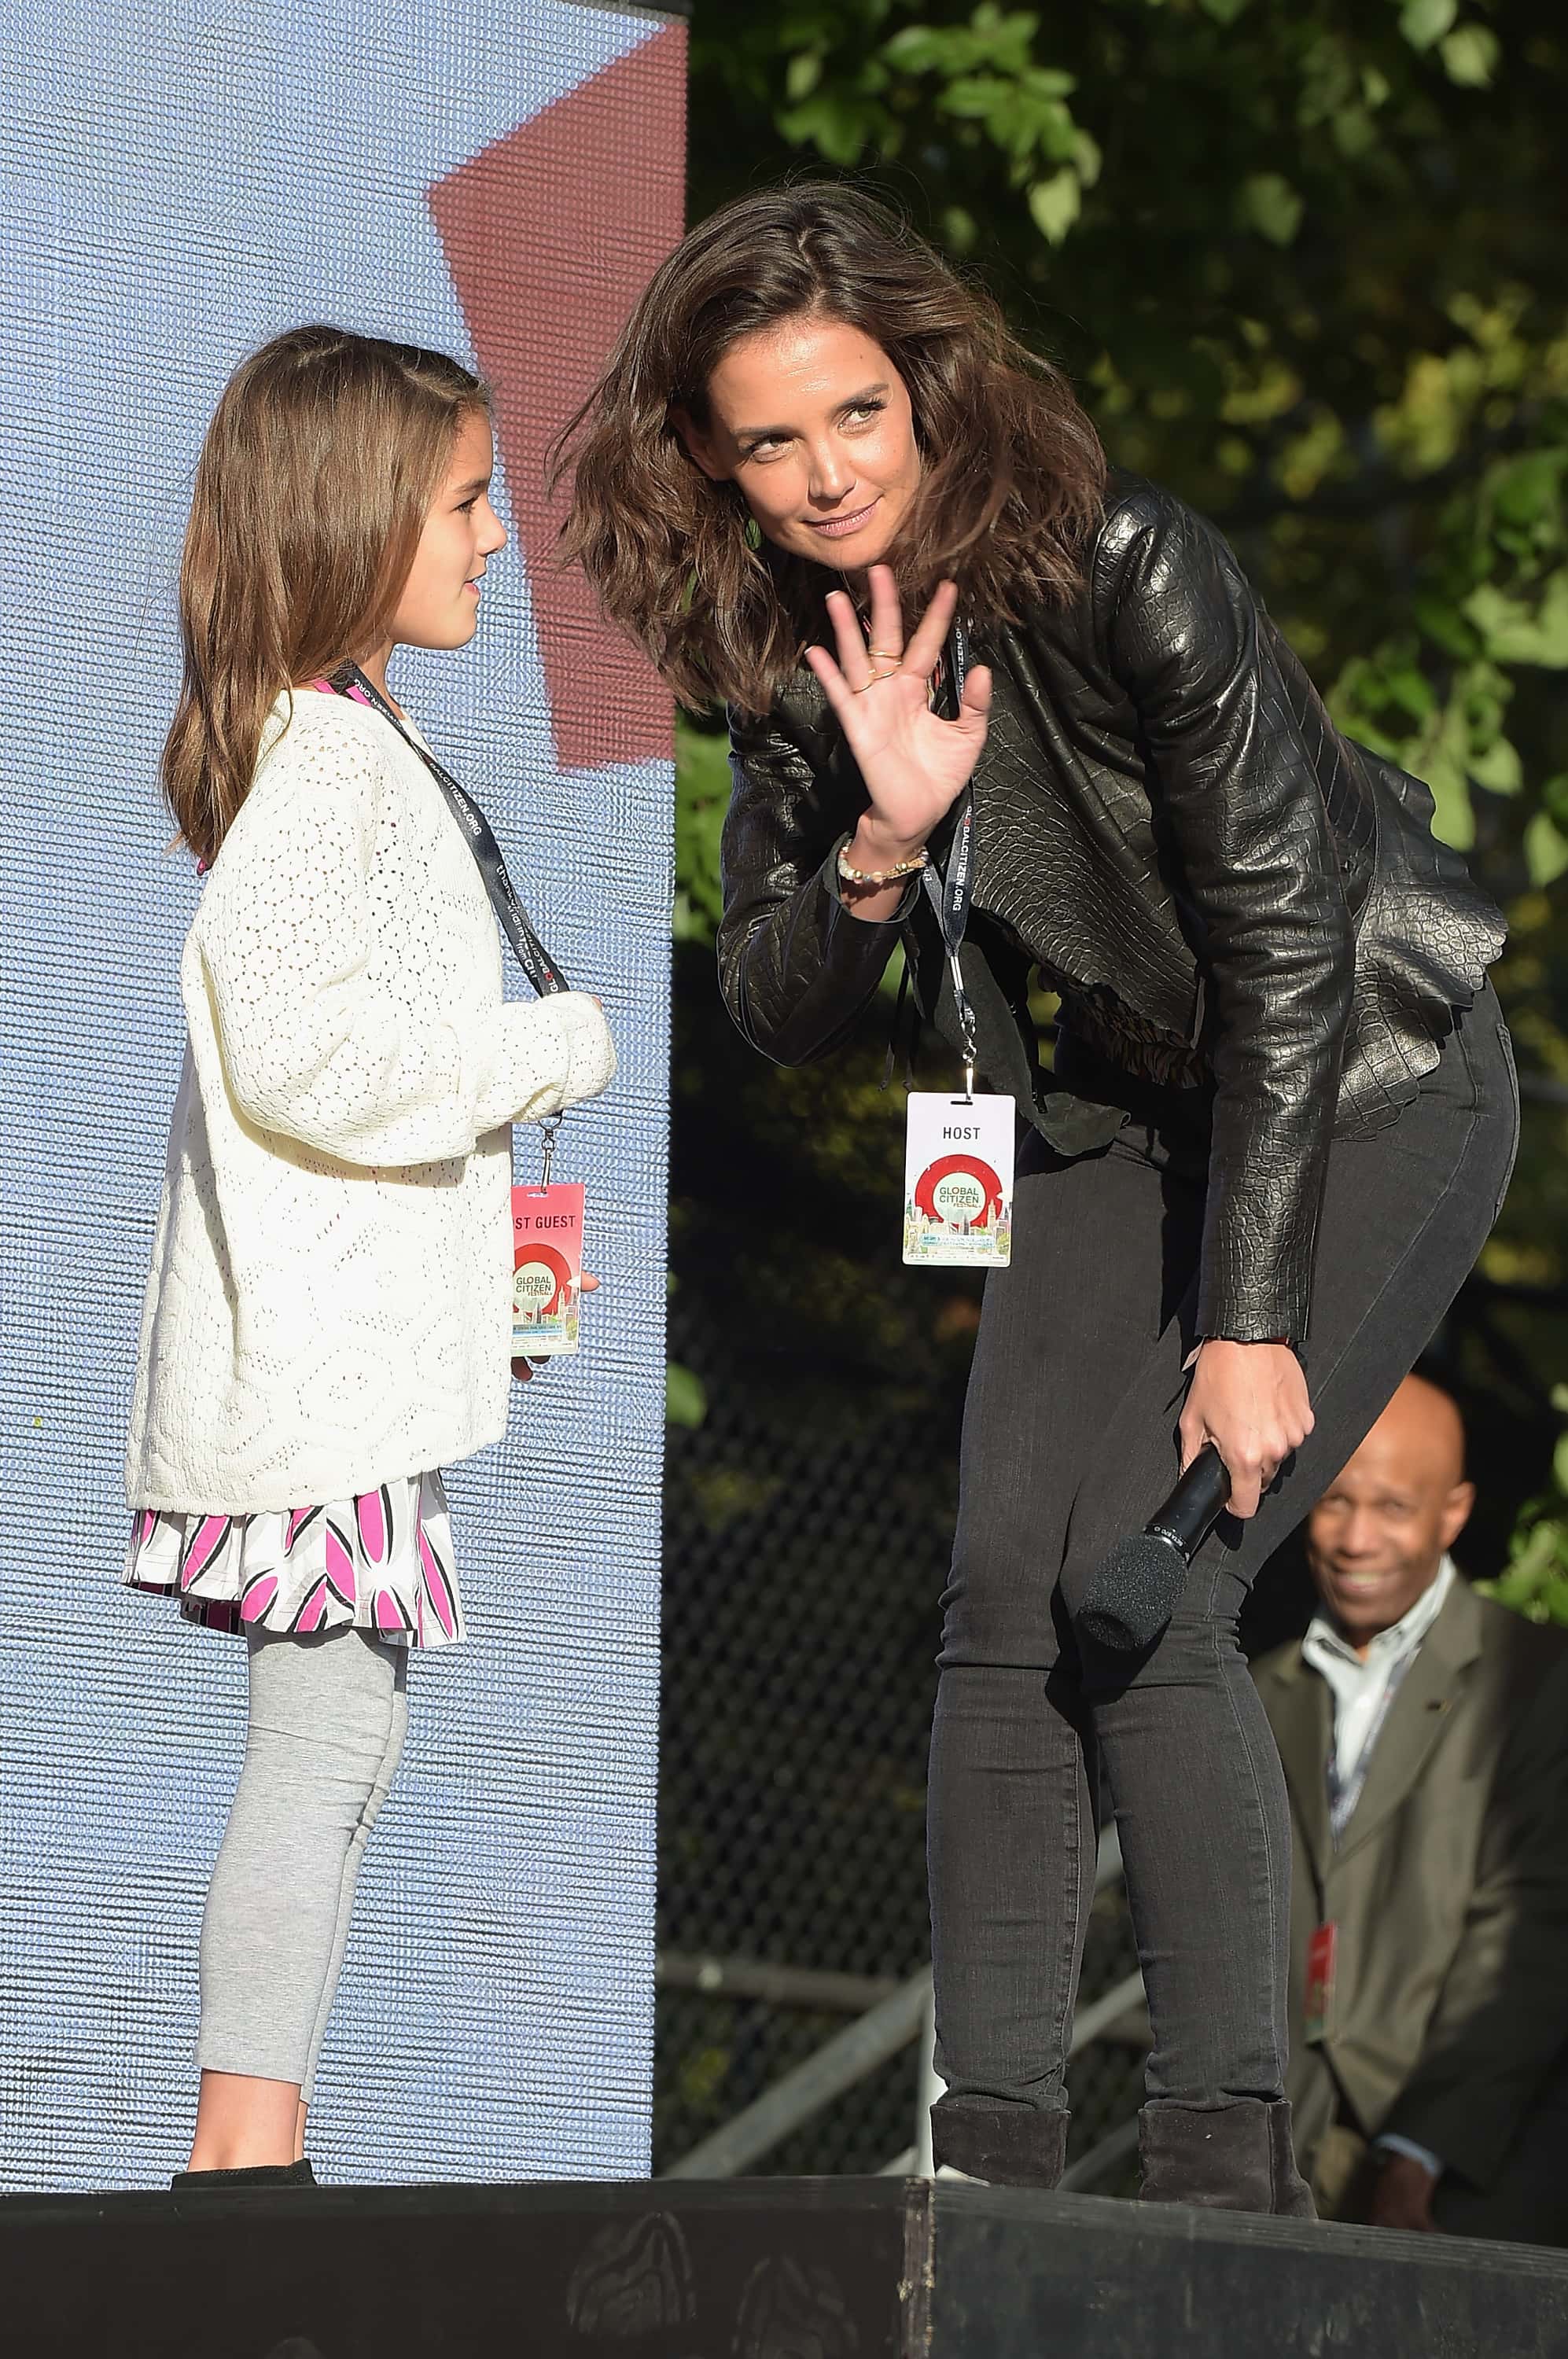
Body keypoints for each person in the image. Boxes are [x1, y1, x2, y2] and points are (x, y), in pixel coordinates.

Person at [561, 182, 1519, 2214]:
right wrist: (879, 844)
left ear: (928, 389)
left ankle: (1218, 2167)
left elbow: (1279, 942)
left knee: (1146, 1587)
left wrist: (1249, 1326)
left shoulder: (1126, 564)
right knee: (1005, 1596)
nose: (824, 477)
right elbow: (774, 1003)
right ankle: (982, 2163)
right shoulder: (784, 652)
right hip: (1103, 1118)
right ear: (709, 458)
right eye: (768, 441)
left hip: (1357, 1083)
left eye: (855, 417)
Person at [123, 326, 616, 2188]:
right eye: (468, 503)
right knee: (325, 1737)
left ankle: (254, 2137)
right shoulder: (323, 768)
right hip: (321, 1375)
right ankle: (240, 2153)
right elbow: (304, 1053)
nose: (498, 541)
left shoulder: (346, 742)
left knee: (342, 1736)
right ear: (355, 520)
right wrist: (545, 1049)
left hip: (345, 1366)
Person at [1254, 1374, 1568, 2243]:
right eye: (1334, 1503)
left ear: (1453, 1511)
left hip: (1462, 2168)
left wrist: (1420, 2148)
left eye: (1392, 1507)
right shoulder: (1257, 1689)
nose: (1356, 1539)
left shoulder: (1536, 1681)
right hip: (1278, 2157)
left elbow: (1533, 1929)